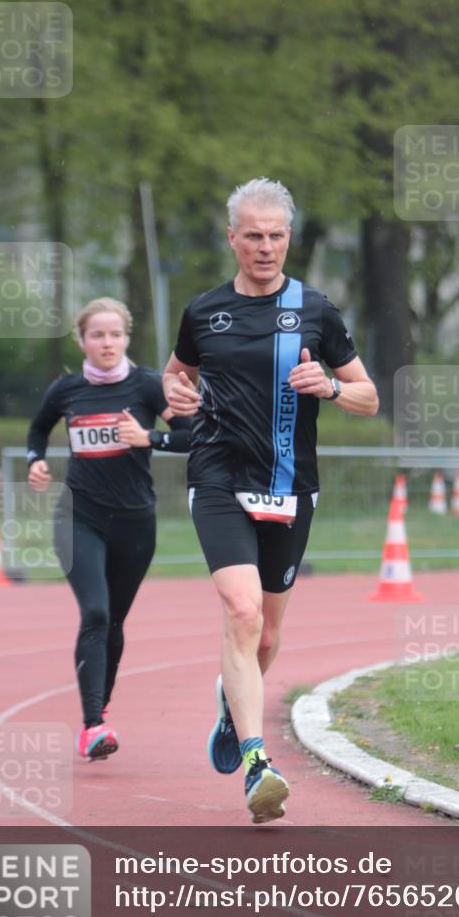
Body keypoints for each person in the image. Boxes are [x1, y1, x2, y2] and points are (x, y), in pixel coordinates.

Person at [163, 178, 379, 823]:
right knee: (242, 609)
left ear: (290, 238)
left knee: (267, 633)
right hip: (218, 475)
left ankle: (234, 706)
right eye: (252, 235)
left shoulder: (316, 310)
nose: (264, 246)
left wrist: (332, 390)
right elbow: (178, 374)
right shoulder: (204, 312)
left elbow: (368, 396)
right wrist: (175, 394)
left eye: (275, 235)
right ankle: (258, 760)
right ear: (232, 238)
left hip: (290, 484)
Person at [27, 297, 190, 761]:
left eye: (115, 334)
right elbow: (37, 430)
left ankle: (102, 702)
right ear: (82, 340)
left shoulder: (148, 386)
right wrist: (35, 461)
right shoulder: (66, 389)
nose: (107, 343)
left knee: (114, 620)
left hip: (136, 522)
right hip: (80, 516)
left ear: (126, 338)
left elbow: (195, 435)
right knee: (95, 613)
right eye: (97, 335)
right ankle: (93, 724)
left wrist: (150, 437)